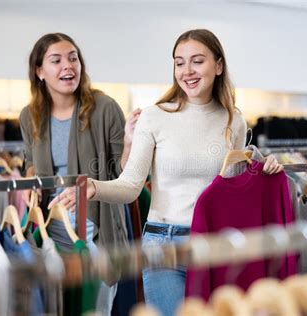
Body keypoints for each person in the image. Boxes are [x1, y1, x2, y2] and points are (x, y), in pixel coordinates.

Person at [49, 29, 283, 315]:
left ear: (218, 65)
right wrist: (93, 188)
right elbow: (132, 185)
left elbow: (231, 189)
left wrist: (263, 169)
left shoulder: (233, 120)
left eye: (197, 61)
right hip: (163, 245)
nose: (187, 71)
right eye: (179, 62)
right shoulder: (154, 116)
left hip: (213, 244)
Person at [19, 32, 138, 315]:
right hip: (51, 232)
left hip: (97, 230)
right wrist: (30, 181)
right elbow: (29, 162)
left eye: (73, 58)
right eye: (56, 60)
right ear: (39, 71)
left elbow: (124, 173)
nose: (68, 66)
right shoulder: (29, 115)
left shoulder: (104, 108)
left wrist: (131, 142)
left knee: (95, 309)